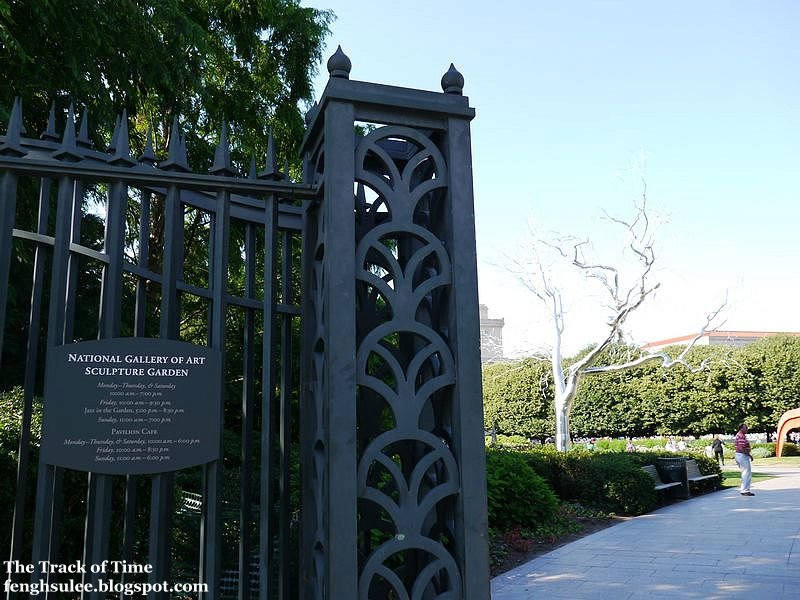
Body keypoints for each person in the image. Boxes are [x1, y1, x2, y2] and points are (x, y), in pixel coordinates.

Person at [734, 423, 754, 496]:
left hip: (741, 455)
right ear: (741, 428)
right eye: (746, 428)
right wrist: (749, 455)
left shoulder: (741, 435)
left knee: (745, 473)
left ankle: (745, 489)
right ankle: (745, 490)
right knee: (746, 473)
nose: (747, 429)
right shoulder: (741, 436)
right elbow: (741, 448)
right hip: (742, 456)